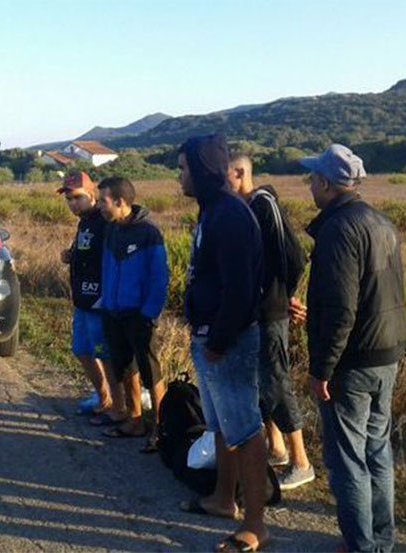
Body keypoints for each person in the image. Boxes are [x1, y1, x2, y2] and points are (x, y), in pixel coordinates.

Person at [301, 144, 406, 552]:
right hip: (388, 352)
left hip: (354, 360)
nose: (310, 184)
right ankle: (381, 540)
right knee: (377, 450)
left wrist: (322, 369)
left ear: (328, 184)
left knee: (348, 458)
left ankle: (361, 544)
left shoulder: (338, 229)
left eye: (313, 178)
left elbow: (340, 308)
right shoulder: (380, 221)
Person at [178, 134, 269, 552]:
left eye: (183, 168)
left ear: (201, 169)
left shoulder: (229, 214)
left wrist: (219, 338)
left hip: (228, 341)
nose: (179, 176)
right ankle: (222, 498)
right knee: (220, 425)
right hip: (210, 338)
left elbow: (242, 288)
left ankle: (255, 525)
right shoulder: (212, 210)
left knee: (245, 429)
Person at [226, 153, 314, 491]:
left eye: (226, 176)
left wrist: (283, 295)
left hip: (270, 311)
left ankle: (301, 461)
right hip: (251, 312)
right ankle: (275, 447)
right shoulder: (240, 206)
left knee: (276, 381)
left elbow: (293, 256)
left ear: (240, 173)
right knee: (259, 380)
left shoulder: (264, 204)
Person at [96, 176, 169, 453]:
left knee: (151, 371)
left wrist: (149, 312)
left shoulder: (148, 233)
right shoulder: (111, 229)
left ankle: (161, 430)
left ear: (121, 202)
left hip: (139, 314)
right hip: (112, 311)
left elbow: (159, 276)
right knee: (125, 368)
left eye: (103, 201)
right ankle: (135, 419)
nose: (100, 206)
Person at [57, 172, 126, 425]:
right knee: (81, 350)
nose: (72, 204)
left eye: (77, 198)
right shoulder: (84, 222)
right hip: (82, 301)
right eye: (68, 199)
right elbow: (85, 251)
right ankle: (103, 397)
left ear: (92, 195)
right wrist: (70, 255)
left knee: (104, 354)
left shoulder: (104, 220)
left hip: (99, 301)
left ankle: (118, 407)